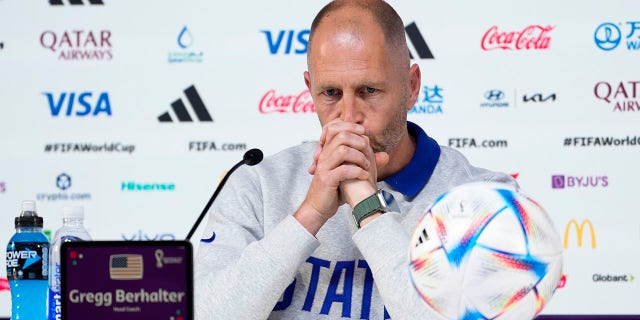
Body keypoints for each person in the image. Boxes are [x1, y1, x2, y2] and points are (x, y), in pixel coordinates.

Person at [195, 0, 516, 319]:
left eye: (369, 90)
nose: (348, 118)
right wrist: (309, 216)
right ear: (310, 88)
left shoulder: (484, 198)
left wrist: (368, 207)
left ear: (412, 86)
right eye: (331, 93)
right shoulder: (258, 184)